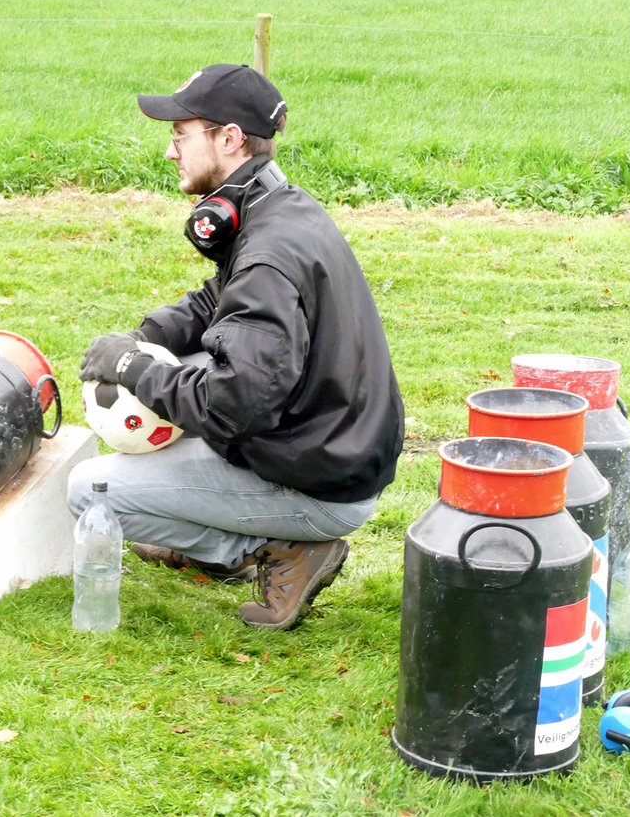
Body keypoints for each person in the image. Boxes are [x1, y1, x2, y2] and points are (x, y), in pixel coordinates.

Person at [68, 63, 405, 630]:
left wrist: (131, 368)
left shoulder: (268, 253)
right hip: (331, 444)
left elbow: (233, 403)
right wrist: (145, 338)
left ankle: (273, 552)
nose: (172, 151)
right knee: (188, 364)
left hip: (323, 480)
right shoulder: (278, 211)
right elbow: (214, 304)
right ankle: (215, 535)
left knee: (89, 491)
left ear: (228, 139)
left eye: (181, 135)